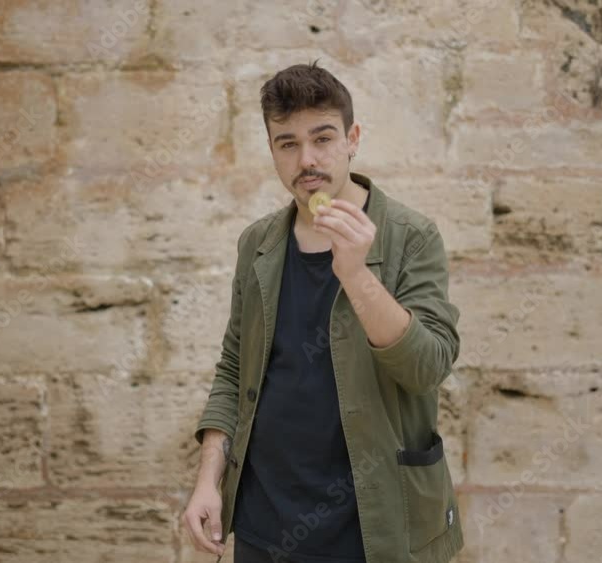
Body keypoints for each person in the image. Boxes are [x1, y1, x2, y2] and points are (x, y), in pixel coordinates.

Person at [182, 60, 464, 563]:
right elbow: (232, 371)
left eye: (323, 138)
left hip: (374, 531)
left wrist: (356, 274)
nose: (306, 159)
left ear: (352, 139)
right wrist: (209, 480)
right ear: (272, 151)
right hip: (264, 527)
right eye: (287, 143)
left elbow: (427, 367)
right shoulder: (258, 244)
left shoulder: (411, 236)